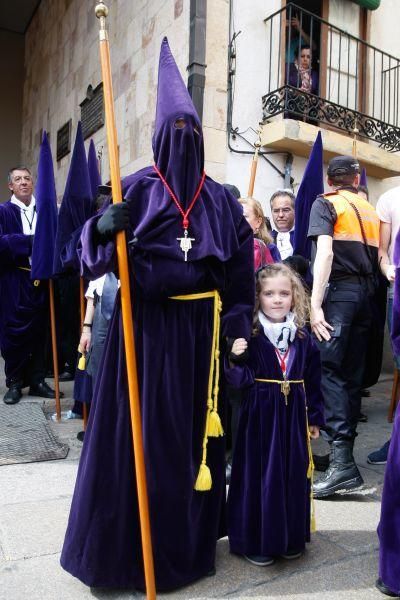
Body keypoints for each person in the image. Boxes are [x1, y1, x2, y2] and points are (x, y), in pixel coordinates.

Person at [60, 38, 255, 591]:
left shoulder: (219, 199)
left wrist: (237, 329)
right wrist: (99, 228)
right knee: (132, 440)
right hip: (142, 333)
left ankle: (183, 553)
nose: (183, 141)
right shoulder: (138, 189)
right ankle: (116, 556)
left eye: (191, 131)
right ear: (156, 134)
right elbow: (90, 259)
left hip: (198, 339)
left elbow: (239, 275)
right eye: (174, 131)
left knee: (187, 443)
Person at [226, 263, 324, 565]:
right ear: (258, 297)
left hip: (293, 417)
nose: (277, 299)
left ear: (294, 297)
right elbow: (237, 382)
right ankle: (257, 540)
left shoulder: (303, 337)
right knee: (261, 475)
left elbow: (314, 380)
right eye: (269, 294)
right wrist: (234, 357)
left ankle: (288, 537)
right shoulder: (252, 335)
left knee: (291, 473)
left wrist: (314, 418)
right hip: (259, 418)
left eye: (284, 293)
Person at [308, 155, 380, 498]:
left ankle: (342, 466)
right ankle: (343, 459)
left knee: (329, 368)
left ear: (329, 179)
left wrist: (314, 302)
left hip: (340, 294)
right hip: (368, 295)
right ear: (354, 178)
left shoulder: (326, 203)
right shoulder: (368, 209)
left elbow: (325, 254)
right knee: (351, 375)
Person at [0, 166, 58, 404]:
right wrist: (31, 241)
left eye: (27, 178)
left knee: (41, 331)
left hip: (43, 280)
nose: (23, 182)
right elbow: (1, 242)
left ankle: (37, 380)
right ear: (10, 186)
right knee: (14, 331)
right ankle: (14, 382)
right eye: (18, 179)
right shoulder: (4, 211)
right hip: (15, 279)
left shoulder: (44, 210)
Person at [368, 184, 400, 466]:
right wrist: (387, 267)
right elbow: (382, 250)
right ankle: (396, 442)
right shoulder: (390, 198)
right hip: (398, 293)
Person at [239, 196, 281, 267]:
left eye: (245, 216)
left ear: (258, 221)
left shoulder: (270, 248)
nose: (238, 220)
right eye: (235, 216)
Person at [270, 189, 296, 260]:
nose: (281, 215)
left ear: (295, 211)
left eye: (286, 210)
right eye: (276, 211)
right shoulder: (266, 240)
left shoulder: (303, 239)